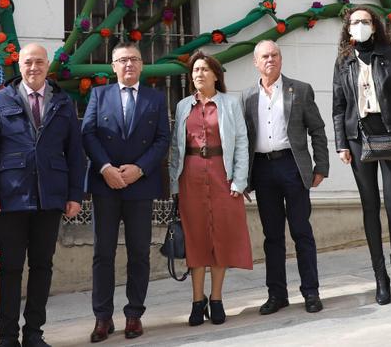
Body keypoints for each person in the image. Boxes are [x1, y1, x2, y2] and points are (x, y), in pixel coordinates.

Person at [0, 43, 87, 347]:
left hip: (50, 197)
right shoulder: (1, 100)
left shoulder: (63, 102)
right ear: (19, 65)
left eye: (39, 62)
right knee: (10, 268)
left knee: (42, 266)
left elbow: (75, 154)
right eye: (28, 62)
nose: (34, 67)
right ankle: (8, 336)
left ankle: (34, 333)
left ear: (47, 65)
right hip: (11, 198)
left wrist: (75, 195)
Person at [81, 42, 171, 342]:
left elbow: (162, 139)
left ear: (142, 65)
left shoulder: (155, 98)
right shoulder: (98, 94)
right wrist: (106, 168)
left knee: (139, 253)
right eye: (123, 60)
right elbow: (88, 133)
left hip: (140, 185)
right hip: (105, 185)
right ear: (113, 66)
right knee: (102, 253)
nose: (129, 64)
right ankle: (102, 318)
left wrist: (140, 169)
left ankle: (134, 314)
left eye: (134, 59)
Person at [331, 7, 391, 304]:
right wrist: (341, 144)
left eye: (365, 21)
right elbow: (339, 106)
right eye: (355, 22)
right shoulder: (343, 60)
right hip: (358, 136)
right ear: (348, 28)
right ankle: (380, 279)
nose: (360, 25)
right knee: (370, 207)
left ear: (375, 25)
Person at [241, 40, 328, 315]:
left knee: (302, 231)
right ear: (256, 62)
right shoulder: (246, 96)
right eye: (265, 56)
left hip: (292, 166)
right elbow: (242, 140)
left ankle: (311, 293)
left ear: (281, 58)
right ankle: (277, 294)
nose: (271, 59)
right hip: (263, 171)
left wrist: (321, 167)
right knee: (272, 236)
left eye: (275, 55)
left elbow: (317, 130)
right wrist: (241, 177)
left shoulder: (300, 90)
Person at [167, 50, 251, 327]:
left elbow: (241, 142)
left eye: (204, 69)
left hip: (221, 175)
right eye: (195, 70)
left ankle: (216, 299)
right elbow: (176, 148)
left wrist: (240, 180)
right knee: (196, 239)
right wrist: (173, 184)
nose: (198, 74)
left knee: (221, 239)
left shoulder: (230, 103)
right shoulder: (182, 106)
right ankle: (196, 301)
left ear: (216, 74)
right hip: (190, 175)